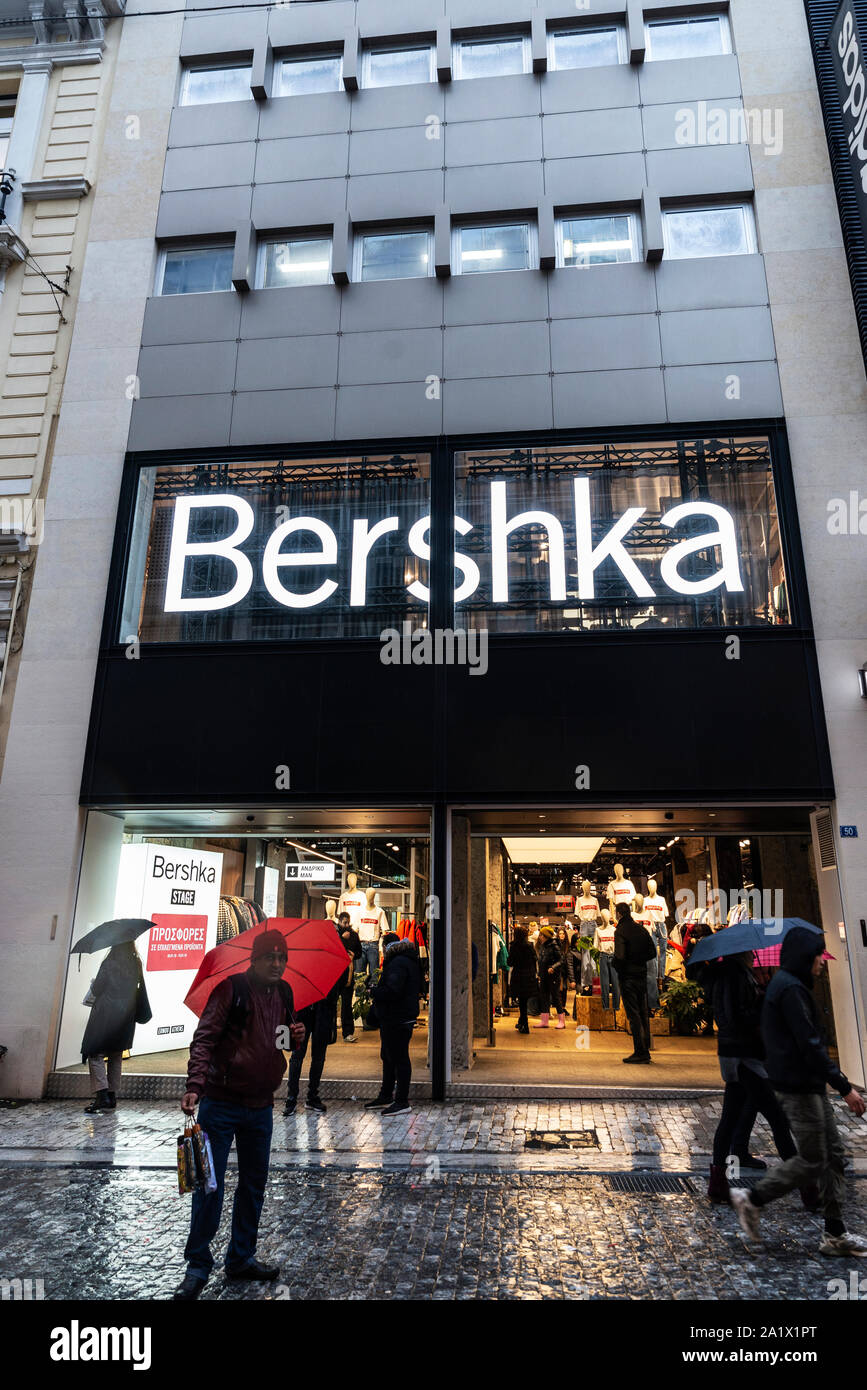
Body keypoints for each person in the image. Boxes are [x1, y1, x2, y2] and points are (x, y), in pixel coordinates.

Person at [173, 929, 305, 1301]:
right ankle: (198, 1265)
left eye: (282, 958)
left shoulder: (284, 994)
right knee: (209, 1187)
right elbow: (205, 1038)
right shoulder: (230, 990)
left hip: (261, 1107)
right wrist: (195, 1085)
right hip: (221, 1103)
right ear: (255, 959)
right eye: (270, 957)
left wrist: (296, 1038)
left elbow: (280, 1044)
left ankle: (241, 1257)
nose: (277, 964)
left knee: (253, 1185)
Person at [730, 927, 867, 1257]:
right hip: (798, 1087)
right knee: (813, 1159)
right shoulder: (789, 989)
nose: (822, 961)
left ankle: (835, 1233)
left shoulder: (791, 985)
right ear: (806, 957)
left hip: (808, 1084)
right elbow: (810, 1045)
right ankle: (753, 1199)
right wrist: (844, 1087)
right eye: (818, 955)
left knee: (834, 1155)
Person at [700, 952, 812, 1205]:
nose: (753, 955)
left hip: (736, 1055)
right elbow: (738, 1016)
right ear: (739, 953)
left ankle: (718, 1183)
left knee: (730, 1119)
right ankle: (805, 1185)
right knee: (777, 1118)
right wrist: (763, 1004)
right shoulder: (734, 975)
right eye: (749, 952)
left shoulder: (732, 974)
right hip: (744, 1057)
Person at [81, 941, 150, 1114]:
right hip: (126, 1015)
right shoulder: (136, 963)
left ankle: (102, 1095)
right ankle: (112, 1097)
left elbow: (97, 989)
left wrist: (94, 984)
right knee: (116, 1054)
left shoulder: (109, 962)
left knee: (95, 1053)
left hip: (105, 1014)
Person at [365, 933, 421, 1115]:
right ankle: (386, 1095)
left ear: (386, 947)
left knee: (398, 1058)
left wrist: (374, 991)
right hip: (397, 1016)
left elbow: (393, 991)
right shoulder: (404, 959)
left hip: (398, 1017)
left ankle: (401, 1101)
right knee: (389, 1056)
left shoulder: (397, 963)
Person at [612, 902, 656, 1064]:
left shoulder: (620, 931)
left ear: (618, 914)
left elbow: (620, 956)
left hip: (628, 977)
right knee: (643, 1012)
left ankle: (640, 1051)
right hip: (641, 975)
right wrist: (639, 960)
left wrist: (615, 965)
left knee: (634, 1015)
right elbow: (652, 952)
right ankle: (646, 1050)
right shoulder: (641, 929)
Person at [336, 910, 361, 1042]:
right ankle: (329, 1031)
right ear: (339, 921)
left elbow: (359, 952)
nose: (346, 925)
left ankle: (348, 1033)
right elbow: (332, 948)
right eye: (343, 922)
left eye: (347, 922)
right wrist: (342, 939)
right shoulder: (334, 934)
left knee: (347, 1005)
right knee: (331, 1004)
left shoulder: (353, 935)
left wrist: (353, 953)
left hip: (348, 975)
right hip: (334, 975)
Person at [508, 925, 538, 1034]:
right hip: (529, 976)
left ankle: (524, 1024)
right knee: (524, 1001)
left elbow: (510, 962)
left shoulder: (514, 946)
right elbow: (535, 960)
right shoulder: (530, 946)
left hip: (518, 976)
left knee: (522, 1001)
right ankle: (522, 1022)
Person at [535, 924, 566, 1029]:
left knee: (556, 997)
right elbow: (541, 961)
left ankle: (562, 1021)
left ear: (546, 936)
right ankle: (544, 1021)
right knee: (544, 997)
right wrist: (539, 973)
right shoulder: (543, 946)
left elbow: (562, 960)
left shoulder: (554, 945)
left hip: (553, 976)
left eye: (541, 935)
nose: (540, 937)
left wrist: (553, 967)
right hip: (544, 976)